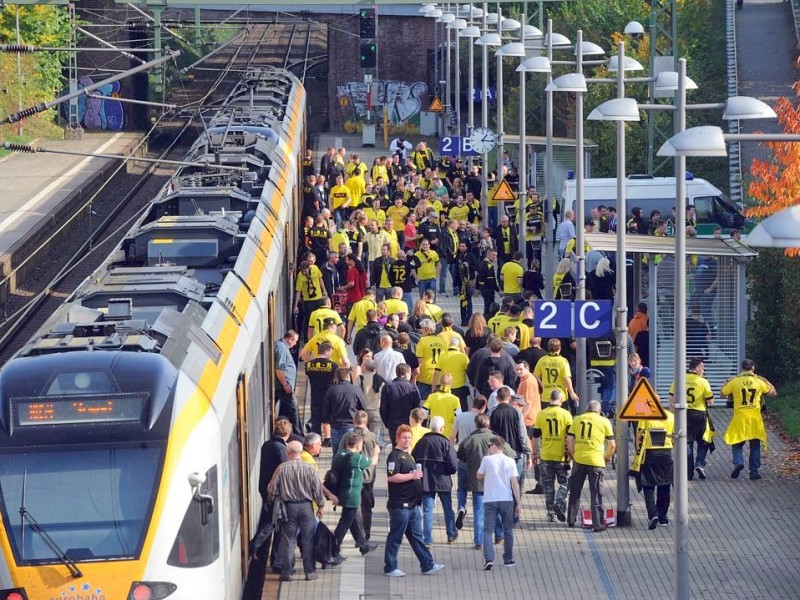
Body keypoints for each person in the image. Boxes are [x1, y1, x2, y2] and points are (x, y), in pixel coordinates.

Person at [383, 424, 445, 577]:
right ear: (398, 438)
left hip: (412, 505)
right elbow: (392, 476)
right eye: (404, 438)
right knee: (395, 536)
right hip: (400, 505)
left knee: (417, 537)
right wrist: (412, 476)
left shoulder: (408, 455)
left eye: (409, 438)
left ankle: (427, 564)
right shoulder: (395, 456)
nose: (407, 440)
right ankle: (390, 567)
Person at [267, 441, 326, 582]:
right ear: (300, 453)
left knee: (289, 540)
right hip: (306, 508)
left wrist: (277, 497)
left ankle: (287, 572)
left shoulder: (282, 468)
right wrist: (321, 505)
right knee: (308, 540)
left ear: (288, 453)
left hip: (288, 508)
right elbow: (317, 490)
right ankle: (310, 572)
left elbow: (271, 489)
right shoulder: (310, 469)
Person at [721, 359, 777, 480]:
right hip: (755, 418)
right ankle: (754, 472)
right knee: (755, 445)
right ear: (753, 368)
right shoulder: (759, 381)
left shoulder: (735, 381)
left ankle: (738, 462)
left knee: (736, 442)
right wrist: (766, 380)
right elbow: (773, 393)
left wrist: (727, 381)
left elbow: (722, 393)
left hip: (740, 417)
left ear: (742, 368)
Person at [566, 400, 615, 532]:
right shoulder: (604, 421)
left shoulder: (577, 419)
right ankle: (598, 524)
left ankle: (571, 520)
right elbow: (612, 444)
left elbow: (569, 439)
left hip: (579, 460)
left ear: (587, 409)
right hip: (596, 461)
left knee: (575, 491)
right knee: (596, 493)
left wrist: (573, 454)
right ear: (598, 411)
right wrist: (607, 456)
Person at [330, 433, 380, 557]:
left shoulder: (339, 454)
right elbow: (373, 462)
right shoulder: (357, 458)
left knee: (352, 522)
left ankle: (364, 546)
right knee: (344, 524)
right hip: (352, 496)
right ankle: (332, 550)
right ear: (358, 446)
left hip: (341, 492)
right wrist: (376, 451)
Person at [412, 416, 459, 546]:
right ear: (442, 428)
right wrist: (448, 471)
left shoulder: (422, 442)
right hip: (443, 480)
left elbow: (413, 459)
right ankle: (451, 535)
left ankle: (427, 539)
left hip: (426, 481)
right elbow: (453, 464)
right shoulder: (445, 443)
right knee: (448, 509)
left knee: (427, 510)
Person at [477, 436, 522, 570]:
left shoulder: (487, 460)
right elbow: (515, 484)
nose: (488, 448)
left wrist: (485, 473)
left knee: (487, 530)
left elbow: (478, 475)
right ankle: (508, 559)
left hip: (490, 499)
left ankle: (489, 558)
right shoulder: (510, 461)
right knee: (508, 530)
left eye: (489, 446)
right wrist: (518, 503)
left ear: (495, 446)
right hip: (506, 499)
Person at [252, 419, 292, 568]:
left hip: (264, 487)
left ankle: (262, 551)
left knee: (271, 519)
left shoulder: (267, 444)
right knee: (276, 522)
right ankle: (259, 548)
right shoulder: (280, 448)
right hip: (276, 491)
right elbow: (284, 469)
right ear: (287, 433)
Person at [669, 358, 714, 480]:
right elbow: (710, 401)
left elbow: (672, 399)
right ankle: (699, 463)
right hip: (699, 415)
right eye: (702, 367)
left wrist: (672, 416)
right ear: (697, 368)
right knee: (704, 441)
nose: (703, 370)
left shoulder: (679, 380)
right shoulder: (703, 382)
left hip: (683, 414)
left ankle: (688, 473)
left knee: (686, 442)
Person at [339, 412, 382, 541]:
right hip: (368, 476)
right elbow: (376, 452)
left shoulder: (347, 436)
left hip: (351, 476)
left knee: (353, 506)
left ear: (354, 421)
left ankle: (358, 531)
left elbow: (340, 452)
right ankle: (366, 532)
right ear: (366, 421)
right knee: (367, 506)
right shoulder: (372, 436)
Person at [532, 389, 573, 522]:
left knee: (548, 486)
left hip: (546, 455)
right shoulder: (566, 415)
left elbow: (536, 437)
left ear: (549, 399)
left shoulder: (541, 414)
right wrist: (572, 454)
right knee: (565, 483)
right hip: (562, 456)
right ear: (561, 400)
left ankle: (550, 513)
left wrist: (534, 453)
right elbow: (570, 437)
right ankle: (560, 502)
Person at [632, 410, 675, 530]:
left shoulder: (645, 417)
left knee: (648, 485)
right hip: (666, 453)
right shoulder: (670, 416)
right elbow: (674, 436)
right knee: (665, 484)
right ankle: (663, 517)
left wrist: (637, 454)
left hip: (650, 453)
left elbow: (639, 436)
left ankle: (653, 515)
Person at [322, 367, 366, 452]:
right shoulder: (355, 389)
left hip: (335, 426)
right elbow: (363, 407)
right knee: (352, 452)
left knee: (337, 453)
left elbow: (325, 410)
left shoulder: (331, 390)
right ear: (348, 377)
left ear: (336, 378)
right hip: (351, 425)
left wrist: (327, 421)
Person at [534, 338, 579, 414]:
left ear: (548, 347)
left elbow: (535, 375)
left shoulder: (542, 360)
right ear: (559, 348)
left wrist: (542, 385)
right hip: (561, 396)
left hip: (546, 395)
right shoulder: (563, 361)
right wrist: (572, 392)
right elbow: (566, 378)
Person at [304, 340, 338, 439]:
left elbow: (308, 376)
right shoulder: (333, 365)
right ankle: (328, 438)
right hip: (329, 395)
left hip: (315, 395)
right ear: (327, 351)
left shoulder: (309, 365)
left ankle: (316, 440)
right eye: (331, 352)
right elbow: (336, 379)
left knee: (316, 420)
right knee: (328, 418)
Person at [274, 330, 302, 436]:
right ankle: (298, 434)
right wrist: (285, 384)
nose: (295, 344)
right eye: (295, 341)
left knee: (290, 408)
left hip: (281, 386)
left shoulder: (281, 346)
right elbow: (279, 369)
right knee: (293, 407)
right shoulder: (281, 349)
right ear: (289, 339)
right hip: (282, 387)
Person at [422, 373, 462, 439]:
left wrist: (429, 417)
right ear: (451, 383)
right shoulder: (455, 399)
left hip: (433, 432)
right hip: (448, 434)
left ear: (440, 382)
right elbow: (459, 416)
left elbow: (423, 412)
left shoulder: (432, 397)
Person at [476, 249, 499, 314]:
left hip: (483, 288)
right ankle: (487, 319)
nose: (495, 257)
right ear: (488, 255)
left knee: (487, 305)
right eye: (493, 255)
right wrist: (497, 290)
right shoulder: (488, 265)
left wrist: (477, 288)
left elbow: (478, 277)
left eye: (496, 256)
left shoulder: (482, 263)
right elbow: (492, 280)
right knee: (489, 306)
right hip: (488, 289)